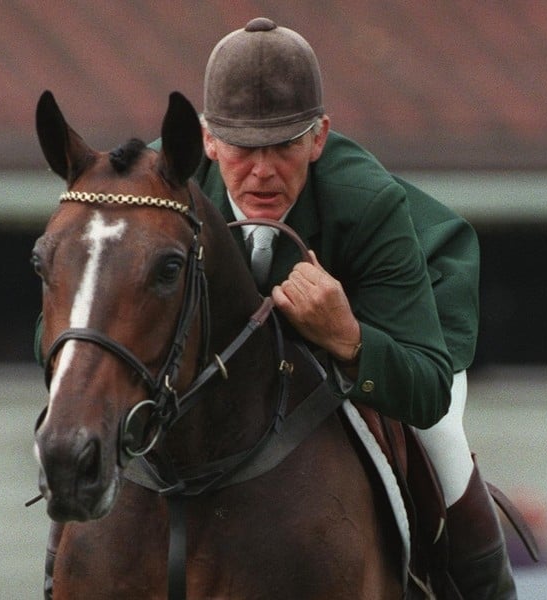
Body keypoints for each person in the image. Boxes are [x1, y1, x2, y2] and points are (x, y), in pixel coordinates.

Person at [194, 17, 516, 598]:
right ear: (208, 139)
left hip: (407, 317)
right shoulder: (160, 190)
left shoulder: (368, 203)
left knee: (440, 446)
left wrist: (350, 338)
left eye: (285, 145)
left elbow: (426, 385)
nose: (263, 171)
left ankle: (488, 589)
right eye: (242, 146)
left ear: (319, 137)